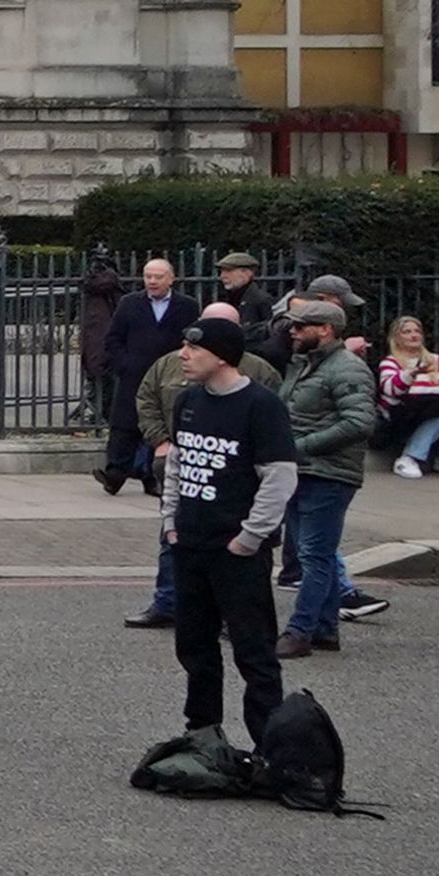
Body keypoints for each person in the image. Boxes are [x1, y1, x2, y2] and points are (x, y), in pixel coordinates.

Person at [153, 308, 296, 749]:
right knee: (194, 648)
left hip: (236, 552)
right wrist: (170, 522)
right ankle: (202, 732)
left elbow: (279, 476)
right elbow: (177, 463)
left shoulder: (260, 406)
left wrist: (250, 537)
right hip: (190, 545)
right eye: (185, 346)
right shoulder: (188, 401)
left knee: (254, 652)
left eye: (195, 348)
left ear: (223, 357)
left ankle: (270, 743)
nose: (184, 355)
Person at [269, 284, 387, 656]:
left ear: (326, 330)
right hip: (303, 470)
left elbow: (359, 422)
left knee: (314, 556)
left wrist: (300, 446)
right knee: (312, 553)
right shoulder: (305, 363)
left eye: (301, 326)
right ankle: (324, 629)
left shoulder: (346, 369)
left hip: (328, 473)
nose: (293, 331)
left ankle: (300, 631)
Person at [88, 255, 186, 495]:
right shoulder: (130, 303)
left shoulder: (187, 306)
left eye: (158, 277)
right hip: (133, 375)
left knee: (159, 425)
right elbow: (113, 338)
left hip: (168, 377)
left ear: (171, 279)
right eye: (148, 276)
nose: (152, 281)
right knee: (124, 425)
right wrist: (123, 364)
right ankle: (115, 474)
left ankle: (151, 476)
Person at [379, 312, 439, 477]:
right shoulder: (390, 362)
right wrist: (410, 374)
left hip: (438, 409)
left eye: (417, 331)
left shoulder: (438, 360)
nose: (413, 335)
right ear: (396, 338)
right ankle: (408, 458)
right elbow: (389, 389)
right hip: (405, 416)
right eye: (406, 332)